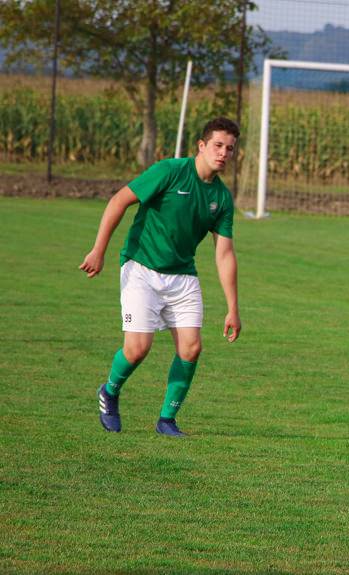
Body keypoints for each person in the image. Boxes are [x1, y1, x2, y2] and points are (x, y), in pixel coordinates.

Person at [79, 117, 242, 437]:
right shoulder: (170, 171)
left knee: (191, 348)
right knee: (138, 349)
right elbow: (119, 201)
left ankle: (167, 420)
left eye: (230, 148)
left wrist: (233, 308)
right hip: (141, 268)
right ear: (201, 146)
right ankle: (110, 391)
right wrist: (98, 250)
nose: (224, 153)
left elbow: (224, 254)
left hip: (183, 276)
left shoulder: (222, 199)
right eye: (218, 145)